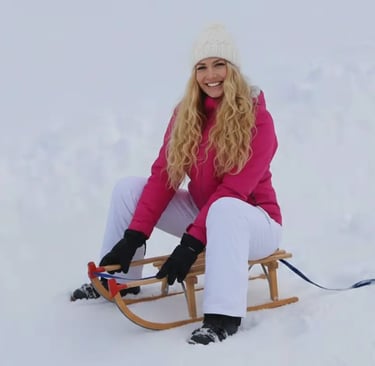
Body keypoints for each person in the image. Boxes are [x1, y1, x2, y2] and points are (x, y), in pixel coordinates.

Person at [72, 23, 282, 345]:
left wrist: (190, 244)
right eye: (202, 67)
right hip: (208, 215)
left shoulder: (258, 119)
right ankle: (119, 278)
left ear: (234, 69)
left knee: (225, 207)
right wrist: (135, 235)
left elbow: (233, 192)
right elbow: (164, 176)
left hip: (255, 224)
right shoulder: (187, 114)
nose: (210, 74)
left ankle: (222, 316)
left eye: (219, 64)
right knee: (130, 189)